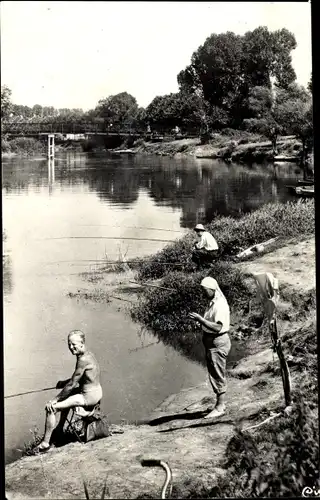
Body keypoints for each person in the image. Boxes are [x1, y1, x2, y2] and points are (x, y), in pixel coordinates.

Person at [35, 330, 103, 453]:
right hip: (95, 392)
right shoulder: (88, 355)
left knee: (52, 408)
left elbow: (72, 385)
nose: (71, 348)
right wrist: (63, 383)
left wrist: (55, 399)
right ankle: (60, 429)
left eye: (74, 344)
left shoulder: (83, 360)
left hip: (89, 397)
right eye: (69, 344)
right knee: (67, 396)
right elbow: (79, 379)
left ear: (82, 343)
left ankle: (45, 443)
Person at [189, 277, 231, 418]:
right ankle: (220, 404)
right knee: (215, 371)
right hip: (212, 342)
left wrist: (200, 319)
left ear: (212, 289)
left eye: (204, 290)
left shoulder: (219, 305)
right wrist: (202, 323)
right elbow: (211, 322)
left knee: (217, 373)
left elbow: (218, 327)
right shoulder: (213, 303)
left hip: (217, 342)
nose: (202, 292)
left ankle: (220, 407)